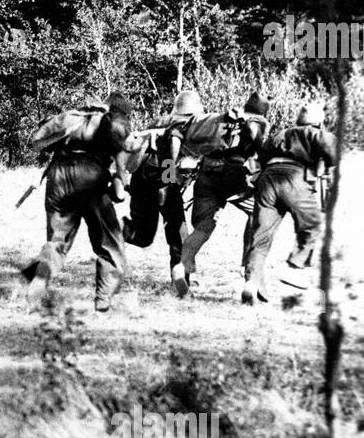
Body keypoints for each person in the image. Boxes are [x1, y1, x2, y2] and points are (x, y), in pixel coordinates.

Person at [23, 93, 140, 312]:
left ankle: (41, 275)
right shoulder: (114, 124)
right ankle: (103, 305)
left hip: (58, 176)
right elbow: (123, 169)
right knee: (110, 245)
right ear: (121, 112)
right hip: (90, 176)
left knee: (57, 242)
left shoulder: (78, 117)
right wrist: (166, 180)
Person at [171, 91, 272, 298]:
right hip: (234, 175)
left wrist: (171, 172)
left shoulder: (222, 119)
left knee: (203, 226)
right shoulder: (255, 120)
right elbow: (254, 132)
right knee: (258, 215)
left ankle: (181, 265)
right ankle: (251, 276)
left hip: (207, 173)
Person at [240, 102, 338, 306]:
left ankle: (251, 281)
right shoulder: (317, 134)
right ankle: (295, 267)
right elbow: (333, 151)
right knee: (313, 225)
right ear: (319, 121)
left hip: (267, 179)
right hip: (295, 179)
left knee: (261, 234)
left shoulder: (282, 133)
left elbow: (261, 156)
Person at [123, 89, 203, 291]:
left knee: (142, 236)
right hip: (162, 181)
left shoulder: (157, 122)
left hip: (140, 181)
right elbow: (173, 146)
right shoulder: (181, 124)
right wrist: (169, 176)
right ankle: (181, 277)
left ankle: (116, 229)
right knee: (178, 232)